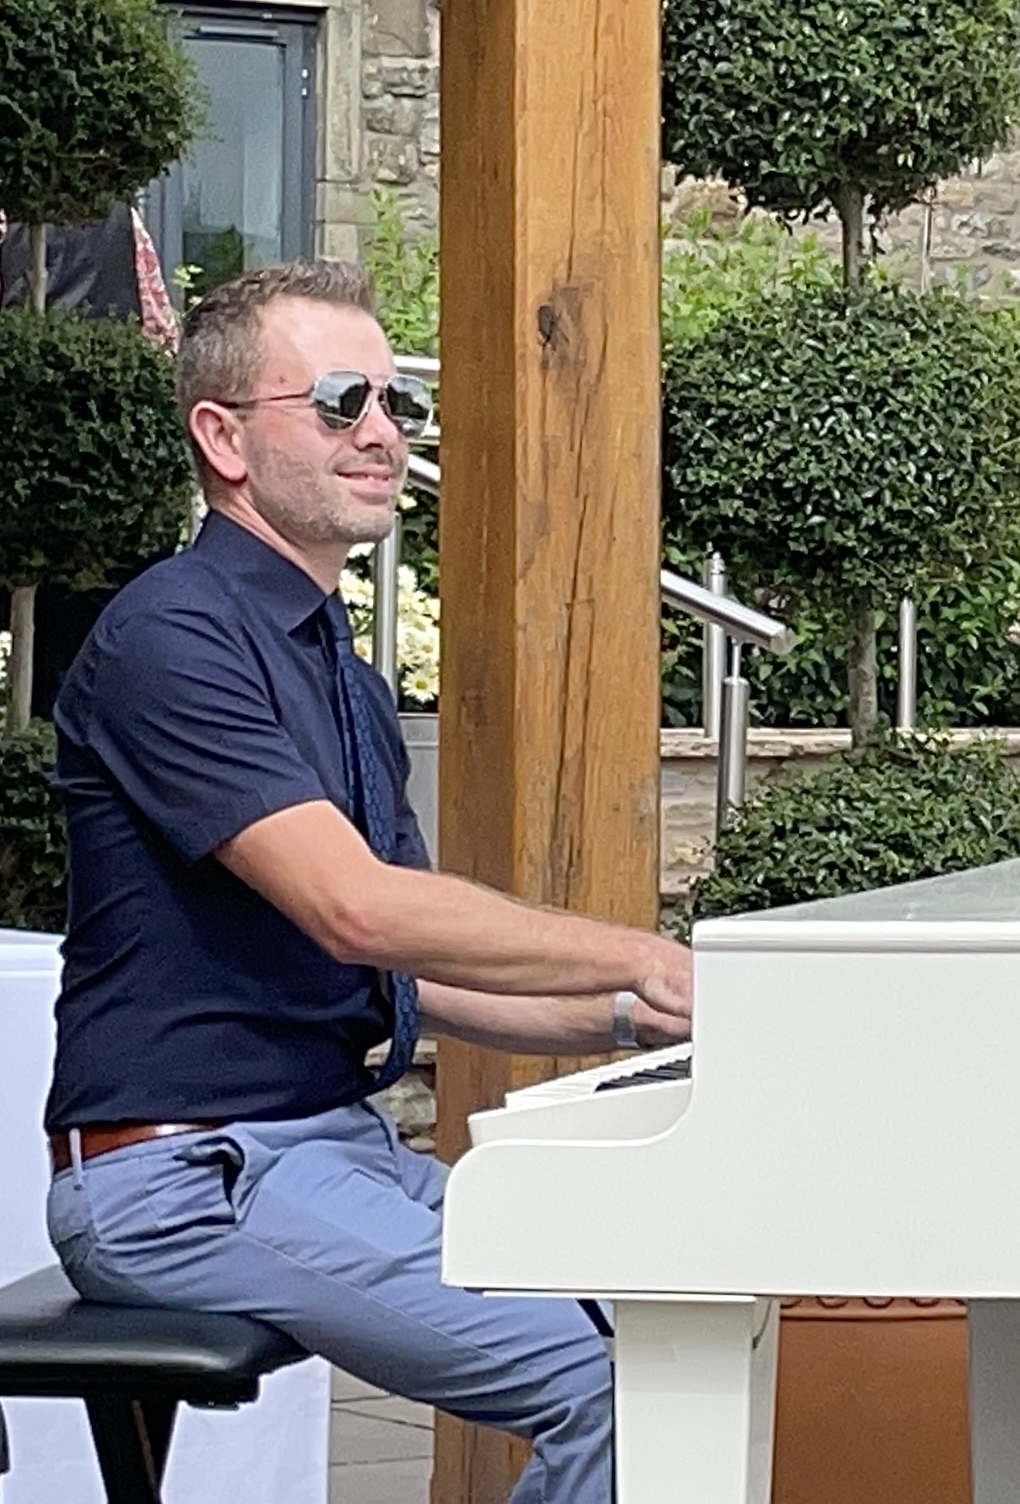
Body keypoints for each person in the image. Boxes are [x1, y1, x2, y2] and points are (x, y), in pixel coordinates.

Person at [43, 258, 693, 1504]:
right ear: (223, 438)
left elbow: (400, 969)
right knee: (618, 1378)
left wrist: (639, 1020)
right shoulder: (170, 636)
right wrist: (645, 955)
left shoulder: (334, 665)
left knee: (680, 1327)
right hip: (185, 1179)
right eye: (343, 401)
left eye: (398, 403)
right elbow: (359, 907)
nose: (385, 433)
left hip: (322, 1149)